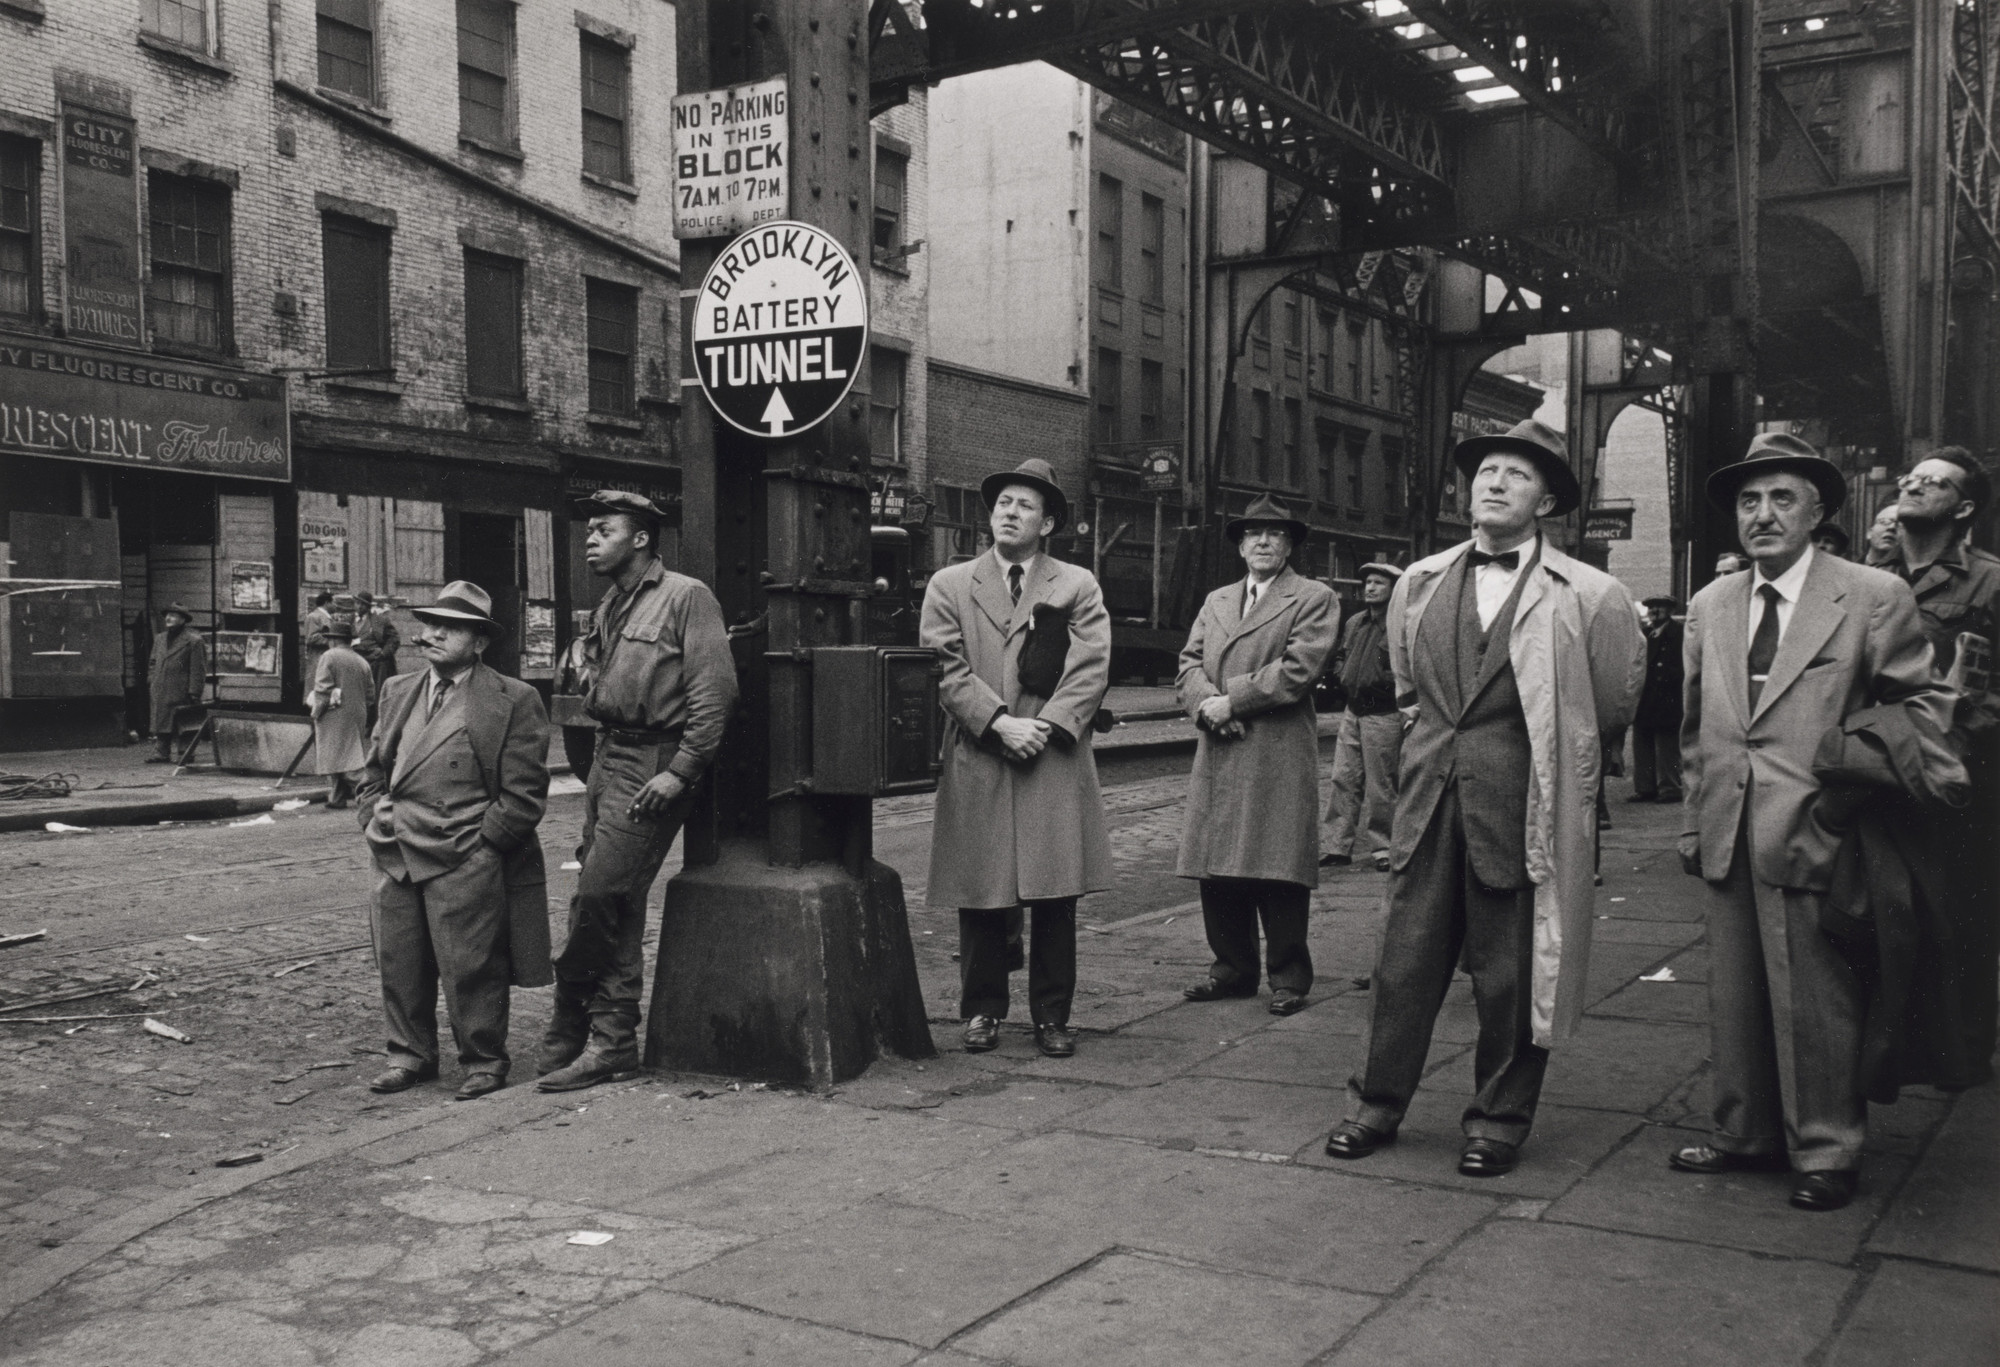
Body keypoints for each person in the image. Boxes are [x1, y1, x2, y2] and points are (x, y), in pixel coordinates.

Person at [1324, 419, 1643, 1178]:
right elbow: (1410, 688)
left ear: (1547, 502)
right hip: (1426, 800)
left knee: (1512, 973)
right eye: (1486, 471)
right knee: (1402, 962)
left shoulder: (1590, 594)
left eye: (1517, 474)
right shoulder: (1420, 581)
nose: (1495, 483)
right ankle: (1374, 1105)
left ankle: (1498, 1120)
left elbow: (1608, 704)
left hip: (1522, 806)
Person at [1671, 433, 1954, 1212]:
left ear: (1817, 510)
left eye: (1781, 498)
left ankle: (1827, 1147)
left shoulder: (1870, 594)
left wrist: (1846, 791)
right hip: (1729, 823)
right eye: (1748, 500)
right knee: (1734, 990)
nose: (1762, 514)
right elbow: (1696, 724)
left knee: (1818, 993)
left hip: (1823, 823)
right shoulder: (1711, 603)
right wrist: (1695, 820)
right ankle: (1746, 1132)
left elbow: (1920, 710)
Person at [536, 491, 737, 1092]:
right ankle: (612, 1039)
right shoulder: (612, 602)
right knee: (612, 901)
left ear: (641, 538)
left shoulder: (686, 596)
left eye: (605, 530)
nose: (591, 539)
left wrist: (681, 770)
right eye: (589, 530)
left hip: (653, 758)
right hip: (608, 755)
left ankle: (572, 1009)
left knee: (599, 893)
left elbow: (715, 692)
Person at [923, 457, 1113, 1059]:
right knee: (981, 889)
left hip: (1050, 758)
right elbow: (943, 667)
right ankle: (982, 1010)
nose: (1009, 512)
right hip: (982, 751)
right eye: (1003, 502)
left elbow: (1090, 667)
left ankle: (1052, 1017)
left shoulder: (1076, 584)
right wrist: (999, 723)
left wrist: (1046, 727)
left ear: (1047, 523)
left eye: (1025, 505)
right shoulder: (950, 584)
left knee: (1055, 892)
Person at [357, 581, 552, 1101]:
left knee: (472, 964)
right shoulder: (397, 689)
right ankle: (410, 1056)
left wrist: (485, 847)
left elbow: (524, 794)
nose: (435, 634)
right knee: (399, 961)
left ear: (480, 641)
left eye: (452, 627)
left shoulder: (514, 698)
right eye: (431, 623)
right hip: (394, 848)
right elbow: (374, 769)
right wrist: (371, 816)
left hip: (463, 852)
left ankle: (484, 1060)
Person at [1176, 494, 1340, 1016]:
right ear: (1241, 546)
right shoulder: (1218, 600)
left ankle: (1289, 978)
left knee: (1278, 865)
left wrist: (1233, 701)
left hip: (1275, 749)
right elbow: (1187, 663)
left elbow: (1300, 668)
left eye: (1275, 534)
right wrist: (1206, 706)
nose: (1263, 541)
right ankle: (1231, 970)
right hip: (1220, 746)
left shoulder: (1314, 597)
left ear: (1289, 545)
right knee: (1218, 865)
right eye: (1253, 534)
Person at [1880, 445, 2000, 1080]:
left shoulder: (1990, 582)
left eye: (1935, 482)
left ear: (1964, 508)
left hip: (1961, 773)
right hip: (1881, 769)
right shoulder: (1868, 577)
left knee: (1965, 912)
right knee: (1889, 908)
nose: (1915, 485)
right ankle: (1898, 1045)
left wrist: (1961, 724)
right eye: (1912, 477)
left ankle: (1965, 1051)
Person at [1320, 559, 1402, 872]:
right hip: (1352, 710)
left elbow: (1408, 665)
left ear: (1394, 589)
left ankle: (1384, 848)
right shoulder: (1355, 622)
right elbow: (1341, 655)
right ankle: (1337, 846)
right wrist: (1343, 674)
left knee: (1382, 785)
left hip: (1384, 713)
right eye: (1368, 583)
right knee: (1343, 778)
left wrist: (1383, 682)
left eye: (1379, 583)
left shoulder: (1400, 623)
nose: (1370, 588)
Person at [310, 620, 375, 809]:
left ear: (334, 640)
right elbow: (371, 694)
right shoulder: (361, 661)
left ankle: (371, 795)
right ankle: (336, 797)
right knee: (345, 753)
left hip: (334, 713)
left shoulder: (329, 656)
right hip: (357, 713)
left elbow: (323, 688)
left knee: (341, 758)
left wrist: (317, 711)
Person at [1628, 596, 1685, 803]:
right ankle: (1645, 788)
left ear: (1670, 611)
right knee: (1642, 742)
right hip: (1645, 697)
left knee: (1666, 746)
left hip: (1668, 697)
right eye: (1651, 607)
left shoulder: (1679, 633)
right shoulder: (1645, 633)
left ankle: (1670, 788)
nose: (1654, 610)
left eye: (1659, 607)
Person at [146, 603, 207, 763]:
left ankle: (185, 752)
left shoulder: (194, 641)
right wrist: (152, 679)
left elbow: (198, 668)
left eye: (173, 615)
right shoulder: (160, 639)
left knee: (183, 720)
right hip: (160, 686)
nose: (168, 618)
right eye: (167, 615)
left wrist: (194, 691)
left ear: (183, 619)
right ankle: (161, 752)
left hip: (181, 688)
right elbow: (153, 662)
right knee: (161, 719)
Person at [352, 590, 401, 722]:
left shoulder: (380, 621)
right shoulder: (349, 621)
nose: (359, 607)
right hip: (355, 662)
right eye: (357, 603)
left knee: (375, 694)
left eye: (363, 604)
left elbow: (394, 639)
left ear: (368, 607)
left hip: (375, 663)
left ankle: (375, 723)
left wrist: (384, 653)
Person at [302, 591, 335, 688]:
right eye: (334, 602)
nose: (336, 605)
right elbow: (311, 638)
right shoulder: (314, 616)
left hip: (326, 658)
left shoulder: (327, 617)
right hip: (318, 658)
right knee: (317, 686)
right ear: (327, 603)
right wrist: (332, 639)